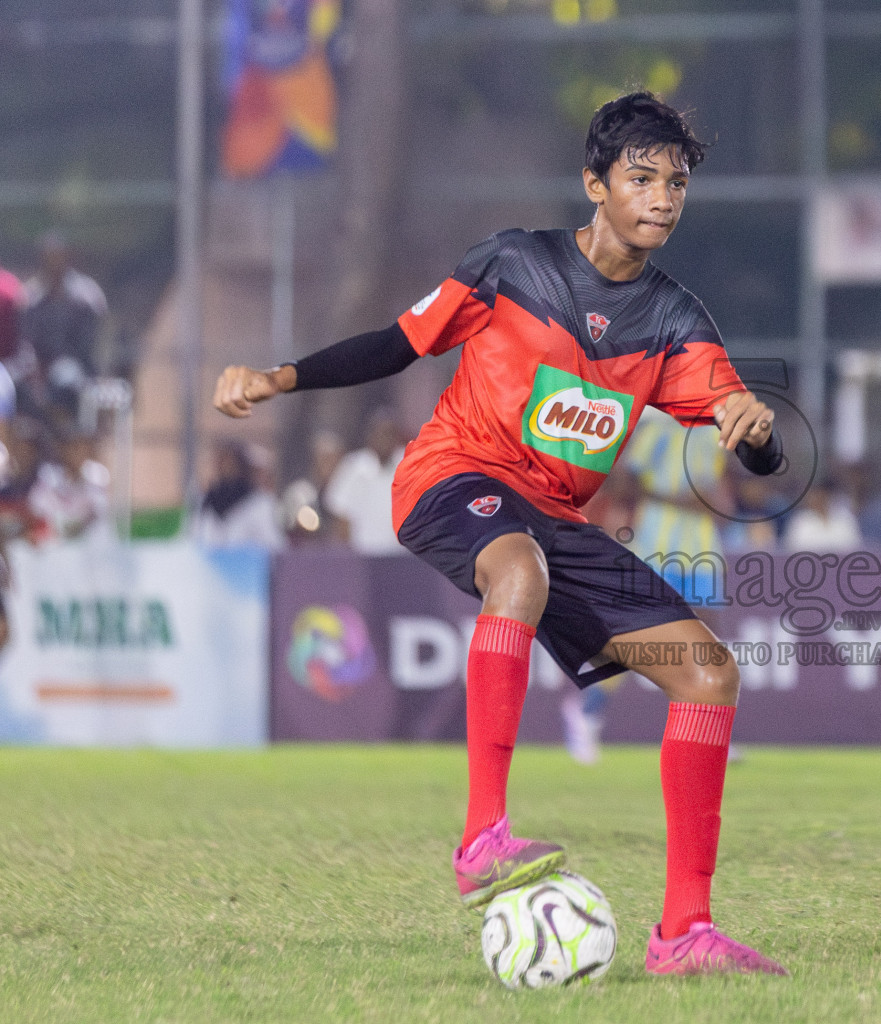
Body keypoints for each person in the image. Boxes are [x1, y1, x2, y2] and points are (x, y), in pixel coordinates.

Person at [213, 92, 787, 976]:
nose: (662, 197)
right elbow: (399, 345)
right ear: (594, 185)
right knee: (516, 572)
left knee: (708, 673)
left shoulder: (678, 322)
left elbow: (750, 446)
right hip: (452, 475)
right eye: (641, 178)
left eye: (675, 183)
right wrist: (279, 377)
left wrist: (756, 429)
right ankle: (482, 837)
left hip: (558, 519)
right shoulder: (514, 264)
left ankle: (683, 934)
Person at [561, 406, 731, 766]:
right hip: (658, 545)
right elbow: (624, 483)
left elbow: (715, 495)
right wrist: (677, 499)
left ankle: (711, 732)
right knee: (640, 639)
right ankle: (587, 709)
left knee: (709, 638)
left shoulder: (713, 434)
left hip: (701, 545)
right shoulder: (658, 430)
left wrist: (702, 502)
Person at [19, 230, 108, 424]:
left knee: (64, 377)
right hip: (38, 369)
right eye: (48, 256)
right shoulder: (33, 296)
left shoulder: (85, 295)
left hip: (76, 370)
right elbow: (26, 340)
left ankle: (69, 438)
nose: (53, 261)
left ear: (68, 256)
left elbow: (87, 347)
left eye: (58, 255)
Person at [325, 410, 406, 554]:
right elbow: (342, 517)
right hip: (363, 559)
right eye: (381, 434)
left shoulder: (409, 467)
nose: (385, 440)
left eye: (389, 434)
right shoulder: (353, 467)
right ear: (371, 437)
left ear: (397, 437)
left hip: (400, 559)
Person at [28, 428, 113, 544]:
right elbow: (37, 506)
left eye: (84, 449)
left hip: (88, 543)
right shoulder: (49, 474)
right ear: (63, 450)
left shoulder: (96, 474)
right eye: (75, 448)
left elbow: (102, 508)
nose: (80, 454)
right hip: (54, 543)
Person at [195, 440, 284, 550]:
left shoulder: (260, 503)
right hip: (209, 566)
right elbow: (193, 539)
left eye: (230, 463)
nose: (225, 468)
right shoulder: (205, 503)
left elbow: (274, 546)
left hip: (250, 565)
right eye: (220, 462)